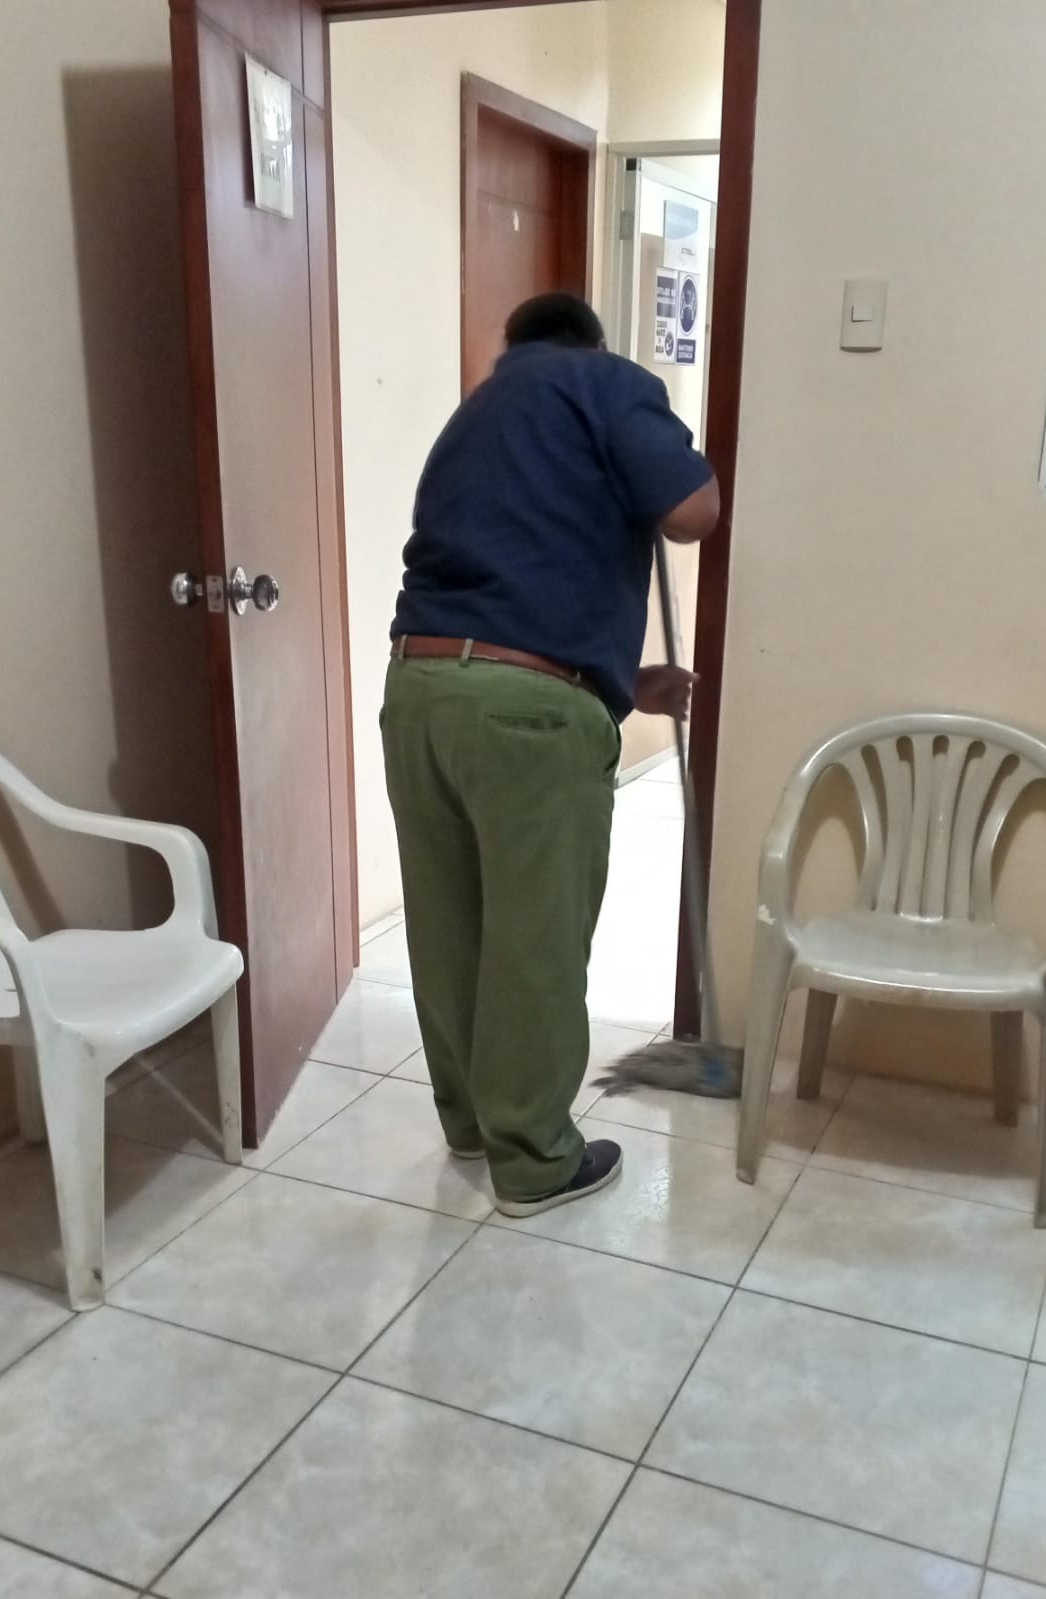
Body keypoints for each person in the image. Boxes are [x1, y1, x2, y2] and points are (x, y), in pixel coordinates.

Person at [381, 292, 719, 1217]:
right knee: (534, 940)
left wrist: (621, 680)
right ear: (589, 342)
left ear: (512, 345)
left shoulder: (472, 417)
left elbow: (504, 578)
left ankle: (469, 1122)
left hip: (419, 689)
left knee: (448, 926)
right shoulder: (604, 380)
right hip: (526, 716)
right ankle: (532, 1158)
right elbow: (692, 511)